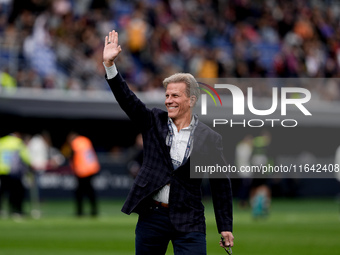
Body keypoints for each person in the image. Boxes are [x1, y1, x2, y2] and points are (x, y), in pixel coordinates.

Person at [103, 30, 234, 255]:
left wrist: (225, 227)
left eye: (175, 96)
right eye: (167, 95)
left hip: (189, 218)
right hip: (152, 217)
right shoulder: (153, 120)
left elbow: (220, 183)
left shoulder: (210, 138)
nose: (168, 100)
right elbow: (127, 99)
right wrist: (109, 65)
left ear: (191, 99)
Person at [66, 132, 100, 217]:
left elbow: (73, 156)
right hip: (92, 168)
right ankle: (94, 211)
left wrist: (72, 168)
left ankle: (80, 212)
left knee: (79, 192)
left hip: (82, 171)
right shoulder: (85, 140)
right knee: (90, 191)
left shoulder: (75, 142)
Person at [0, 132, 31, 218]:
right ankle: (16, 211)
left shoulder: (2, 141)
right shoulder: (18, 142)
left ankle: (2, 210)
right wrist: (30, 164)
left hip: (2, 171)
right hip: (13, 171)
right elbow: (25, 156)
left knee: (2, 192)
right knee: (17, 192)